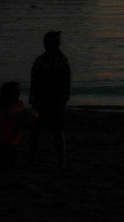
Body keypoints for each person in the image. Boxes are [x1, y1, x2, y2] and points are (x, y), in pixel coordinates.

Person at [29, 30, 71, 169]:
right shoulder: (39, 61)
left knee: (58, 132)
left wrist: (63, 103)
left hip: (56, 101)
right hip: (41, 101)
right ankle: (32, 160)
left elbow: (66, 84)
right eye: (55, 41)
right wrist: (34, 102)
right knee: (35, 132)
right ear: (46, 43)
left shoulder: (62, 60)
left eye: (59, 41)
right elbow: (33, 83)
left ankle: (61, 163)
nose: (58, 44)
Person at [0, 81, 27, 170]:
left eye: (18, 92)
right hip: (3, 140)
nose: (17, 94)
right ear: (7, 94)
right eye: (14, 92)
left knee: (12, 162)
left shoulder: (20, 104)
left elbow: (23, 118)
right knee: (5, 165)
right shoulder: (4, 110)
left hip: (14, 139)